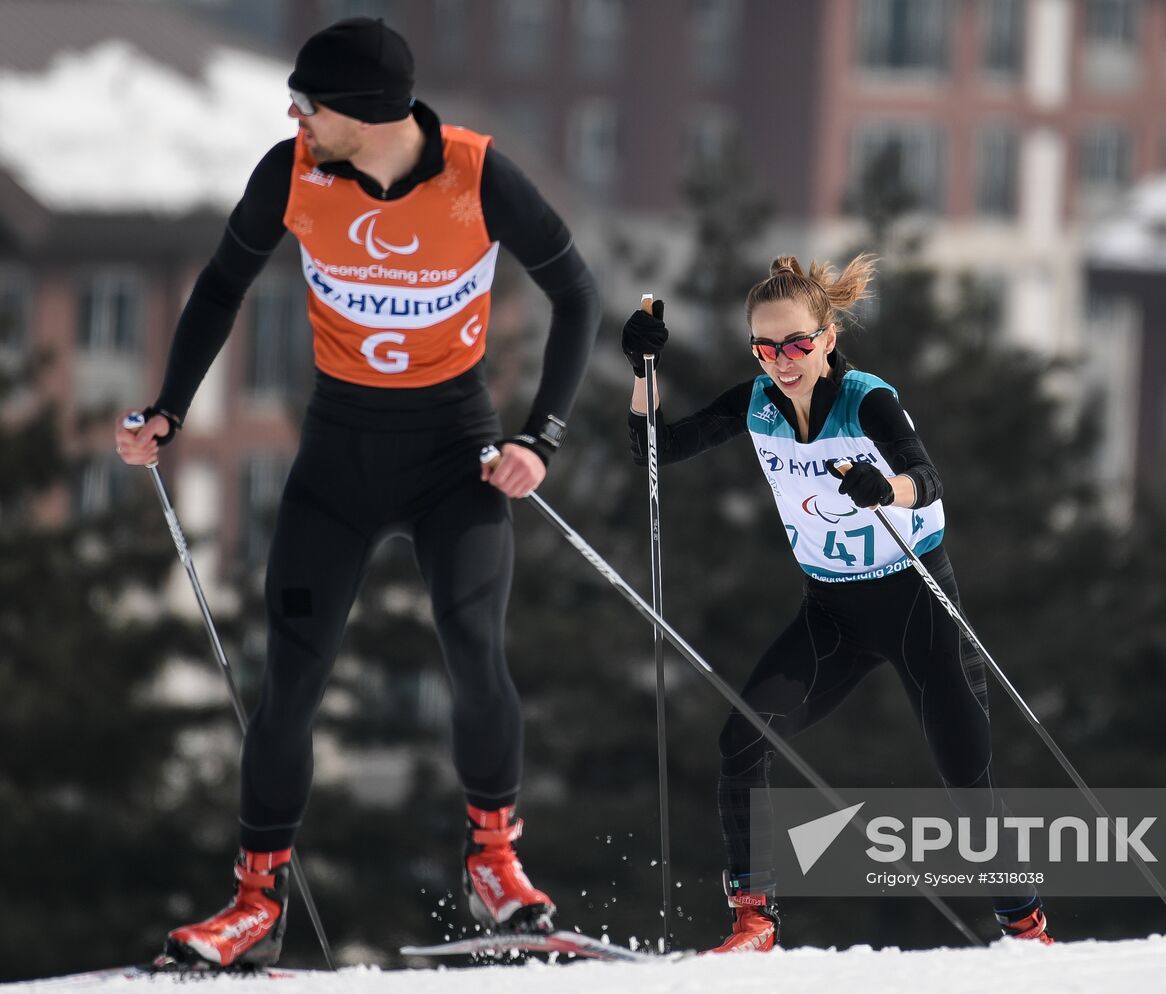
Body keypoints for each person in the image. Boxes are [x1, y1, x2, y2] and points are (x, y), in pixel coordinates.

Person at [114, 17, 599, 969]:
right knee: (290, 679)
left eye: (310, 102)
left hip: (453, 456)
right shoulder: (292, 171)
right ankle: (255, 902)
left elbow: (577, 293)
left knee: (472, 643)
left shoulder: (477, 173)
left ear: (364, 114)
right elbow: (221, 284)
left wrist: (539, 438)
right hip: (336, 459)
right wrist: (167, 408)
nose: (294, 115)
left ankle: (495, 861)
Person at [620, 256, 1051, 953]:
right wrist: (643, 373)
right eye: (766, 348)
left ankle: (1025, 927)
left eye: (795, 344)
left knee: (966, 781)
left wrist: (886, 491)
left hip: (916, 606)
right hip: (833, 615)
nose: (782, 361)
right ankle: (754, 919)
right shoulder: (756, 401)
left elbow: (926, 479)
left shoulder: (865, 398)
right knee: (742, 739)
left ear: (825, 336)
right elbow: (653, 449)